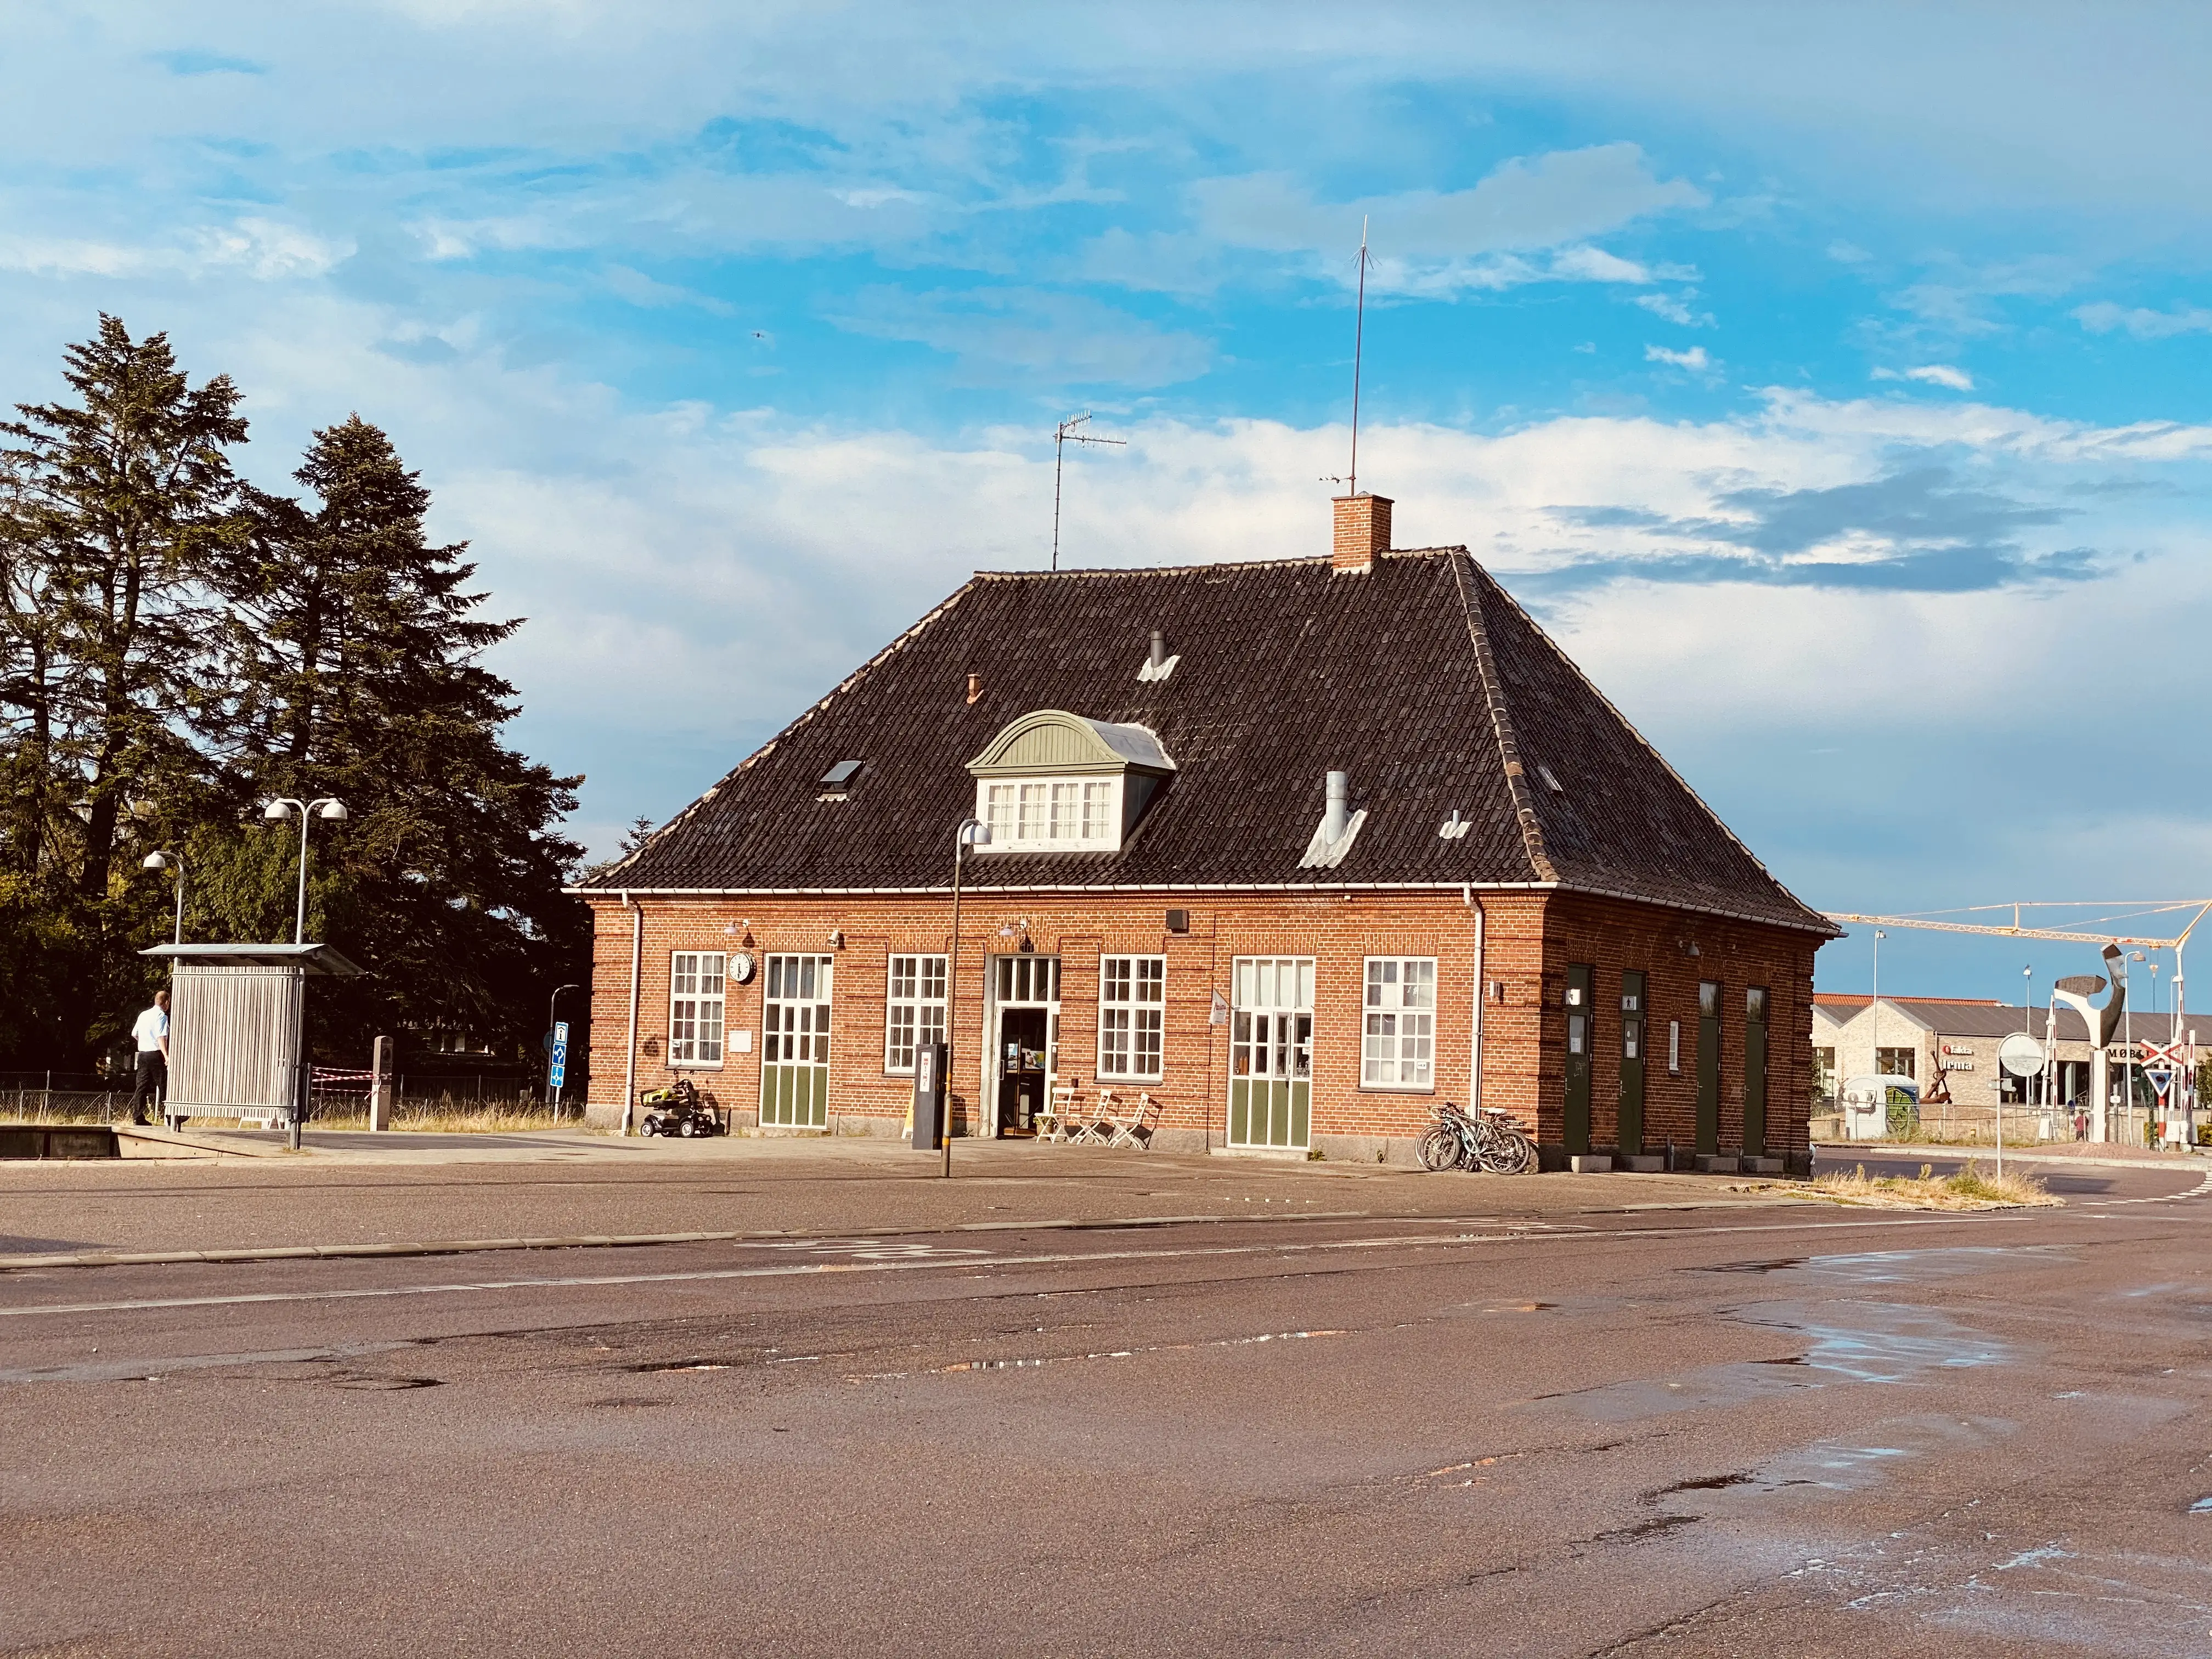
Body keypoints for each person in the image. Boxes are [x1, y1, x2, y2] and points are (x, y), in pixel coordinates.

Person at [127, 989, 170, 1127]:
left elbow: (135, 1033)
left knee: (141, 1086)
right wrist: (166, 1055)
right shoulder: (161, 1016)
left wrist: (144, 1041)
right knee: (164, 1085)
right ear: (167, 1002)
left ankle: (138, 1116)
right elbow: (161, 1036)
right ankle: (172, 1115)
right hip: (155, 1054)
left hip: (143, 1054)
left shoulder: (143, 1015)